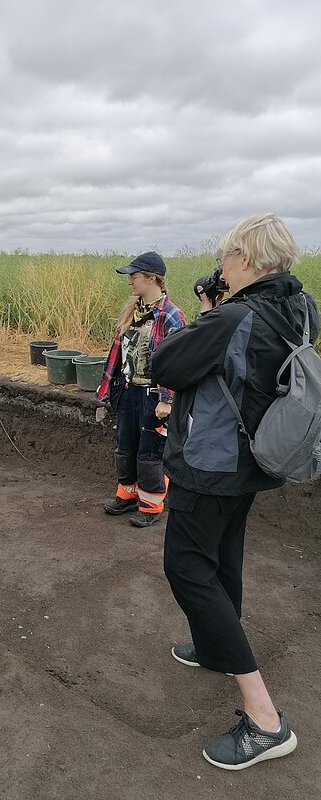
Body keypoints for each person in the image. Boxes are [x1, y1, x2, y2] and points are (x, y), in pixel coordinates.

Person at [152, 214, 318, 770]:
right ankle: (213, 644)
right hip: (254, 459)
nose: (220, 268)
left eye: (226, 258)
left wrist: (212, 311)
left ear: (246, 260)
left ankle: (265, 720)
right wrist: (217, 310)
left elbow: (166, 364)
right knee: (223, 556)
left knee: (185, 567)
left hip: (213, 461)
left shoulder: (233, 317)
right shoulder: (299, 307)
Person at [96, 252, 186, 527]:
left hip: (152, 397)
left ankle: (151, 505)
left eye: (134, 277)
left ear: (151, 278)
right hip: (127, 393)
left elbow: (177, 361)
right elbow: (116, 357)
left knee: (150, 452)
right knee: (126, 446)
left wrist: (166, 399)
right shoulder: (133, 313)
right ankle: (127, 495)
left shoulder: (171, 316)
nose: (130, 282)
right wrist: (105, 394)